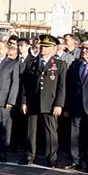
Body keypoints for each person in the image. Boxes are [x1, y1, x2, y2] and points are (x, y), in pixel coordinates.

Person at [20, 34, 67, 167]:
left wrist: (59, 104)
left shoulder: (59, 64)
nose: (43, 49)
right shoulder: (31, 63)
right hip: (33, 101)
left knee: (50, 132)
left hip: (50, 102)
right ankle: (29, 156)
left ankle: (51, 158)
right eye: (42, 46)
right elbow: (25, 85)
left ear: (53, 49)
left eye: (46, 47)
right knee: (31, 131)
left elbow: (62, 87)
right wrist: (24, 101)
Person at [62, 40, 88, 173]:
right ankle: (75, 160)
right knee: (74, 134)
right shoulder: (75, 65)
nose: (84, 50)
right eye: (82, 48)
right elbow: (68, 87)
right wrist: (67, 106)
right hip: (75, 105)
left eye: (87, 48)